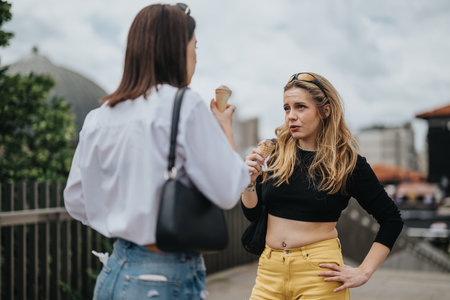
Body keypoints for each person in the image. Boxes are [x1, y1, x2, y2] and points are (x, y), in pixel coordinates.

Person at [64, 3, 250, 299]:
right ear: (176, 50)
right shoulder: (183, 104)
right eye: (194, 47)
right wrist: (224, 127)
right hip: (163, 277)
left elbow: (75, 200)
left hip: (114, 270)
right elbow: (229, 190)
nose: (196, 58)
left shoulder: (98, 117)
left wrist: (124, 217)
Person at [242, 72, 403, 299]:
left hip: (319, 274)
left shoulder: (347, 163)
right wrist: (248, 183)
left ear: (325, 110)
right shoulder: (275, 152)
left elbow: (391, 218)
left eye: (300, 107)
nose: (291, 116)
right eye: (286, 108)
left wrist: (364, 272)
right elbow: (253, 214)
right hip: (269, 272)